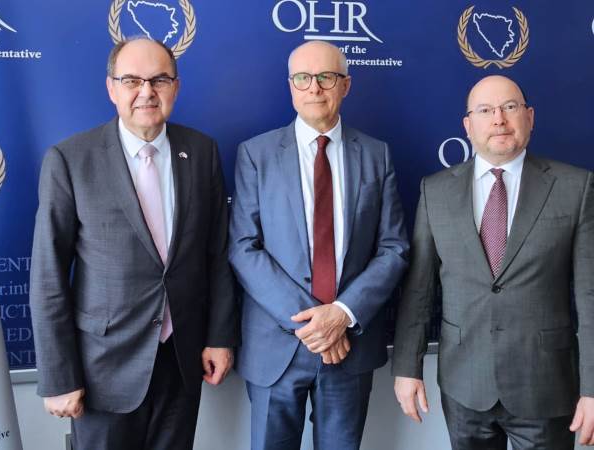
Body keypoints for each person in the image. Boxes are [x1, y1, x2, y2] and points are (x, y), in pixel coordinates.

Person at [29, 37, 238, 450]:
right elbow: (48, 275)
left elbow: (216, 255)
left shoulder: (201, 151)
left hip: (182, 359)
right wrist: (58, 377)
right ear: (111, 88)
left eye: (159, 80)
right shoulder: (70, 159)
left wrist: (220, 336)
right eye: (132, 81)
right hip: (104, 368)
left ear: (176, 87)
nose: (147, 92)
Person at [393, 75, 594, 449]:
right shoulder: (434, 191)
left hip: (546, 384)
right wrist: (407, 367)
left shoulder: (576, 187)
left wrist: (592, 388)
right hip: (464, 383)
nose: (499, 119)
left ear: (530, 117)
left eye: (510, 107)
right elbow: (419, 291)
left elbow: (590, 295)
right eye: (485, 110)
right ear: (468, 125)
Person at [229, 40, 409, 450]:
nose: (315, 87)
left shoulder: (377, 155)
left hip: (350, 346)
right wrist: (315, 324)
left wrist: (342, 314)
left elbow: (393, 247)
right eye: (303, 78)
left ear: (346, 85)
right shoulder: (256, 154)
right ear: (290, 86)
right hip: (276, 348)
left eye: (327, 77)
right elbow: (243, 247)